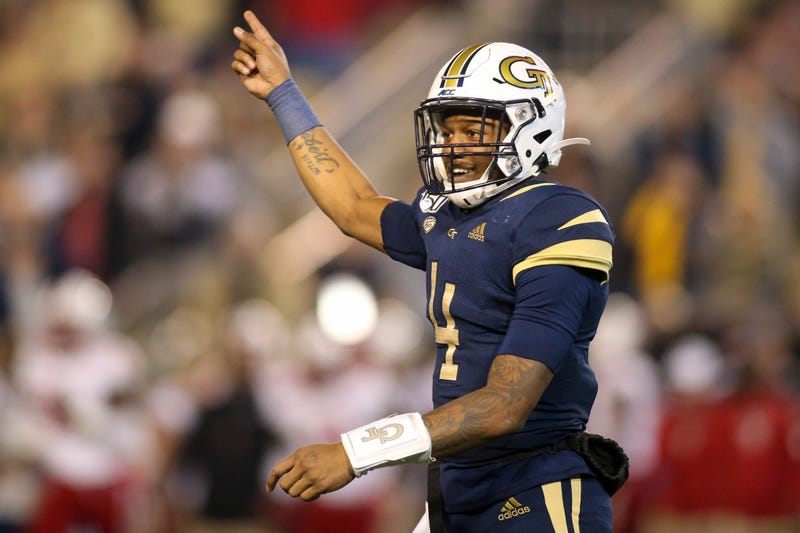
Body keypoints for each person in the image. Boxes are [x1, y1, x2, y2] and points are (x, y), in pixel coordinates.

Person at [232, 10, 623, 532]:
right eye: (447, 127)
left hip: (537, 489)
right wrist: (284, 93)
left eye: (473, 128)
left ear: (530, 127)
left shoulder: (558, 218)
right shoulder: (449, 216)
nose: (454, 144)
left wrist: (356, 452)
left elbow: (506, 404)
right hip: (460, 489)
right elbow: (353, 206)